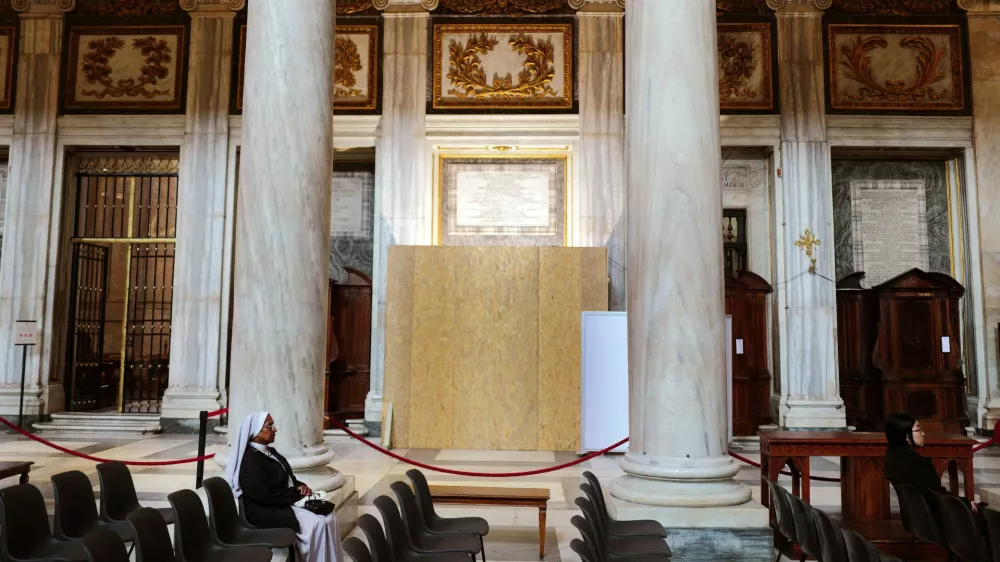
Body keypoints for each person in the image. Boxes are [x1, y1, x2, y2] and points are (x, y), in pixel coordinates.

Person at [225, 411, 343, 562]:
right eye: (270, 426)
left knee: (330, 517)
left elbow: (287, 478)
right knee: (317, 523)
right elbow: (263, 495)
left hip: (281, 501)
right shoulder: (249, 460)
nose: (275, 429)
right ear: (255, 431)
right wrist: (296, 495)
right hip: (264, 510)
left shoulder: (271, 452)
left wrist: (300, 486)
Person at [884, 412, 980, 513]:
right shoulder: (916, 463)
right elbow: (937, 496)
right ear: (906, 436)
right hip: (939, 519)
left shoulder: (892, 456)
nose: (923, 433)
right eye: (918, 430)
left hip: (918, 518)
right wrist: (968, 504)